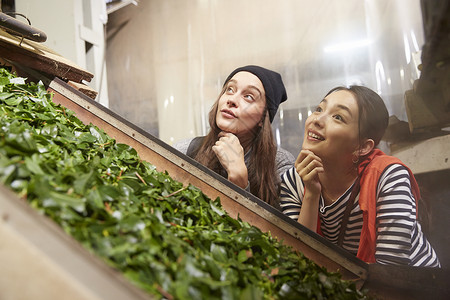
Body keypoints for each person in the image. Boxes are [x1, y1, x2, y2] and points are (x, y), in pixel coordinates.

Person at [280, 85, 440, 267]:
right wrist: (311, 194)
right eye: (319, 109)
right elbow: (297, 261)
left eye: (338, 117)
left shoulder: (388, 177)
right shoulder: (294, 181)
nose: (317, 120)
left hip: (415, 286)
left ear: (362, 147)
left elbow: (392, 270)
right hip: (345, 283)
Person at [174, 65, 295, 207]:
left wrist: (240, 183)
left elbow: (279, 229)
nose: (231, 100)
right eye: (230, 89)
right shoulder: (185, 150)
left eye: (248, 97)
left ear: (263, 118)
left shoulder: (280, 165)